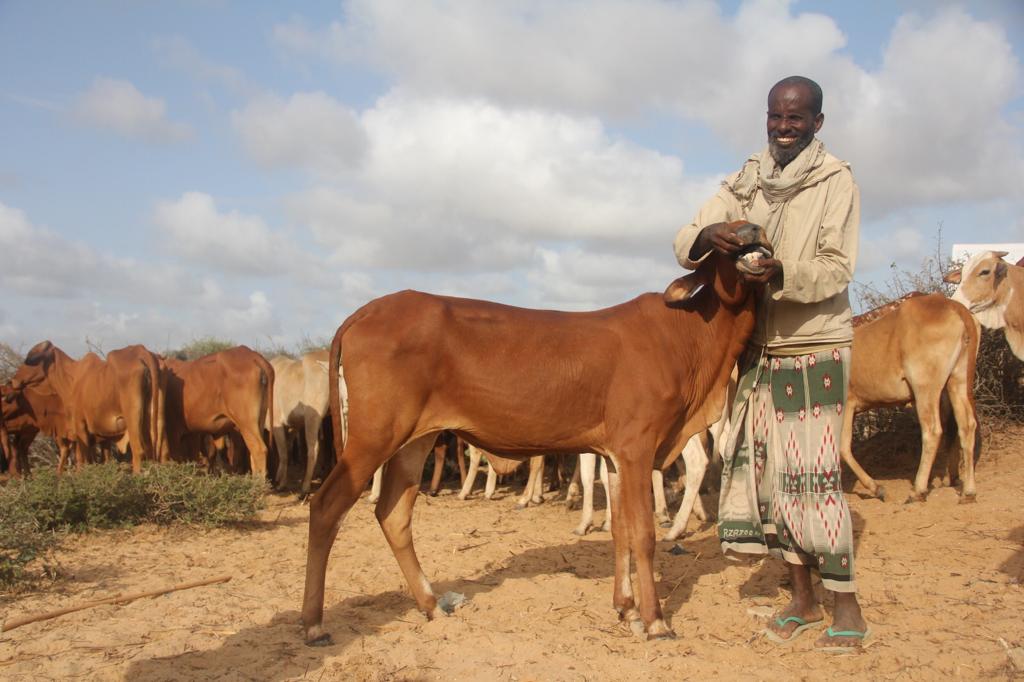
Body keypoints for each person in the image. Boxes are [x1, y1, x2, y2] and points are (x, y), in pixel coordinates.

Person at [673, 76, 868, 650]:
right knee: (772, 485)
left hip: (814, 345)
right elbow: (689, 234)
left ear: (817, 123)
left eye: (796, 118)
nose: (784, 128)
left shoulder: (837, 180)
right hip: (758, 352)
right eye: (776, 118)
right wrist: (710, 233)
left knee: (816, 482)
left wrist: (780, 273)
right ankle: (802, 599)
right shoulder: (746, 177)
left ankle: (848, 608)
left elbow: (836, 267)